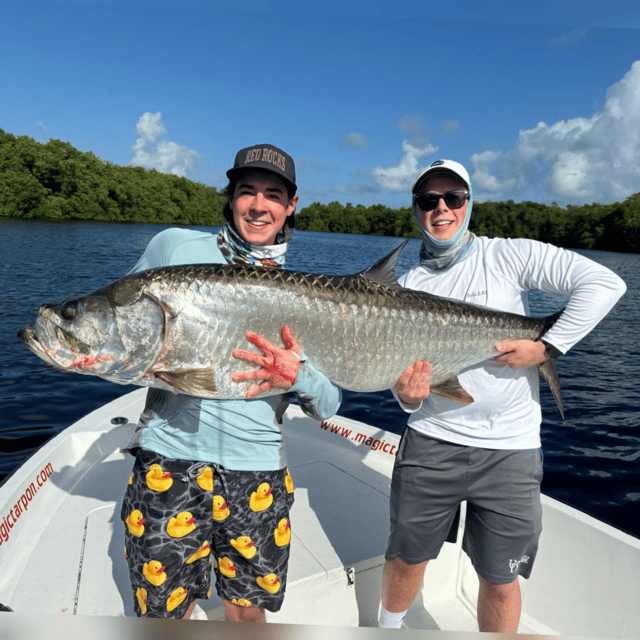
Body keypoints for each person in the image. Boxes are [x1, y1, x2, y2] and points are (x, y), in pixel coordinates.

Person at [378, 159, 626, 633]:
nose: (442, 208)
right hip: (430, 440)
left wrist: (547, 346)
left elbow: (605, 283)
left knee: (499, 578)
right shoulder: (406, 287)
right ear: (417, 209)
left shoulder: (509, 255)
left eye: (453, 198)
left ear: (470, 204)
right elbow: (405, 393)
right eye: (429, 201)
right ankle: (385, 629)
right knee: (407, 559)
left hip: (511, 450)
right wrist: (408, 397)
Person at [120, 144, 341, 622]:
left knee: (246, 616)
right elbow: (125, 325)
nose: (258, 205)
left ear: (291, 206)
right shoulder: (175, 248)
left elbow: (330, 404)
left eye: (272, 194)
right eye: (246, 191)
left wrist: (296, 375)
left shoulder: (313, 293)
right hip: (169, 461)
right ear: (231, 197)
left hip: (256, 470)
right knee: (163, 615)